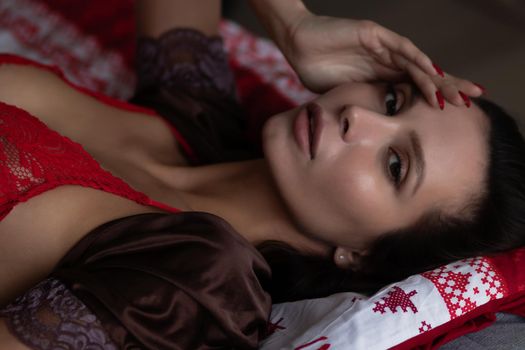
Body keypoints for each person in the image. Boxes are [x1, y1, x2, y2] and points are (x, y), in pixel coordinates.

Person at [0, 0, 523, 348]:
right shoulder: (198, 117)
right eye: (392, 98)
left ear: (361, 254)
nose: (358, 118)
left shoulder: (197, 279)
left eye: (394, 165)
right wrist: (293, 23)